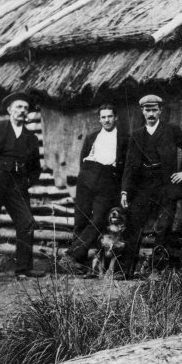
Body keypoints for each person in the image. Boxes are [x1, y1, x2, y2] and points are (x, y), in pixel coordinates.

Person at [120, 94, 182, 277]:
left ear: (160, 111)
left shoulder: (171, 130)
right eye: (147, 110)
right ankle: (126, 271)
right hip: (143, 186)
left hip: (166, 185)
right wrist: (125, 191)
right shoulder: (137, 135)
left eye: (154, 110)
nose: (151, 114)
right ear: (142, 111)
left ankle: (157, 269)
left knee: (163, 228)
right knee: (134, 225)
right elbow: (130, 166)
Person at [0, 92, 45, 280]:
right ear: (9, 110)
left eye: (25, 108)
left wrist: (27, 183)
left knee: (26, 222)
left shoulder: (31, 138)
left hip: (17, 185)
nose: (22, 111)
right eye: (18, 107)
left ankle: (23, 268)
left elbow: (36, 168)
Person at [67, 103, 128, 267]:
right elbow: (83, 159)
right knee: (81, 218)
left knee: (99, 218)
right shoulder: (92, 136)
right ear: (99, 119)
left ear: (116, 117)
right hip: (87, 177)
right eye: (103, 117)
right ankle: (79, 262)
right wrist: (85, 177)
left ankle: (73, 253)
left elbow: (125, 165)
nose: (107, 120)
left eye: (109, 116)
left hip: (107, 180)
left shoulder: (123, 138)